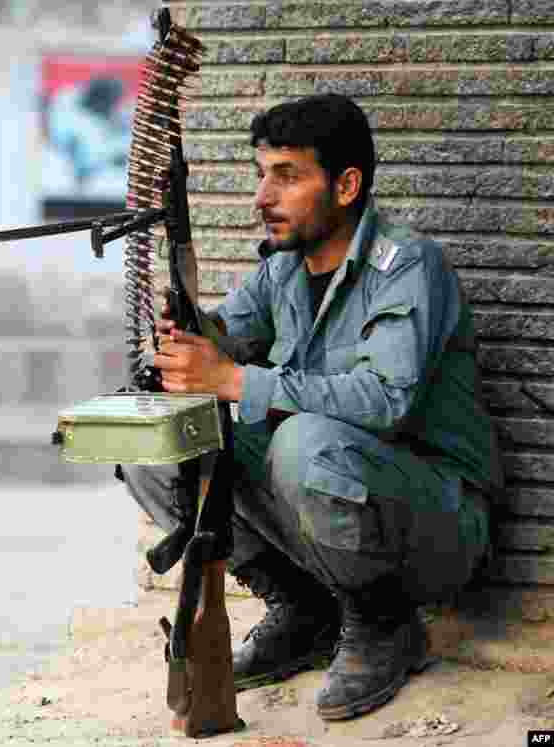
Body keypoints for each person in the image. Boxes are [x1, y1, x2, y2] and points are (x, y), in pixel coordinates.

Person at [120, 93, 504, 721]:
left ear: (347, 185)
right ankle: (301, 608)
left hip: (437, 521)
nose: (262, 198)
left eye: (287, 176)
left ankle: (384, 625)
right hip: (336, 502)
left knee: (303, 444)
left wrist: (236, 380)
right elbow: (226, 337)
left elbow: (387, 401)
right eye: (260, 175)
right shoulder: (283, 270)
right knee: (157, 443)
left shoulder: (409, 266)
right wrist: (185, 339)